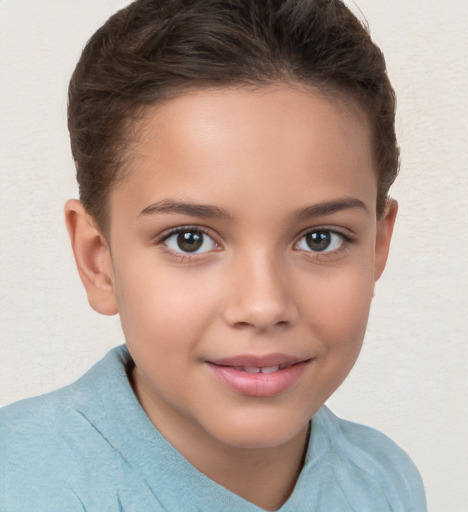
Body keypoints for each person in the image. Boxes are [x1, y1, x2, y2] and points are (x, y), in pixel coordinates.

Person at [0, 0, 427, 510]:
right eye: (189, 240)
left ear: (377, 247)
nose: (263, 306)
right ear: (99, 260)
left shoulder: (385, 482)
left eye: (320, 239)